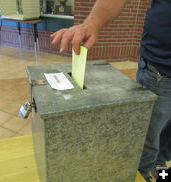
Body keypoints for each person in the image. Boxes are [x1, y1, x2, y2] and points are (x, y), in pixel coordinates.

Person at [51, 0, 171, 181]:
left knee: (167, 134)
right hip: (162, 68)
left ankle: (158, 166)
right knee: (147, 136)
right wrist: (92, 23)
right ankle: (141, 173)